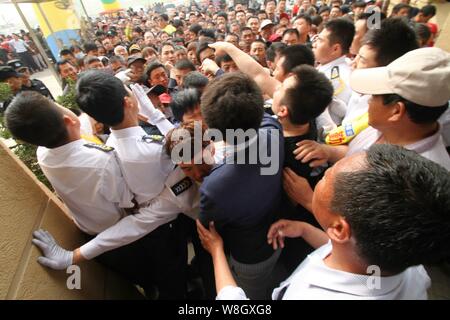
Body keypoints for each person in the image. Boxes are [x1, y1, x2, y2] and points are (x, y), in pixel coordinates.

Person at [5, 91, 195, 299]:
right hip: (131, 238)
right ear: (68, 119)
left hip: (98, 238)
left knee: (147, 279)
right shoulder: (103, 162)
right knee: (170, 277)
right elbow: (130, 202)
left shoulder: (44, 153)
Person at [198, 144, 450, 300]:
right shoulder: (404, 262)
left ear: (339, 228)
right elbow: (352, 254)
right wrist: (307, 229)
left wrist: (217, 252)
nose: (323, 174)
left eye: (327, 177)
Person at [313, 18, 355, 124]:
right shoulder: (328, 67)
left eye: (320, 40)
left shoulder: (338, 78)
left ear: (335, 49)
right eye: (316, 39)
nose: (315, 44)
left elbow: (335, 118)